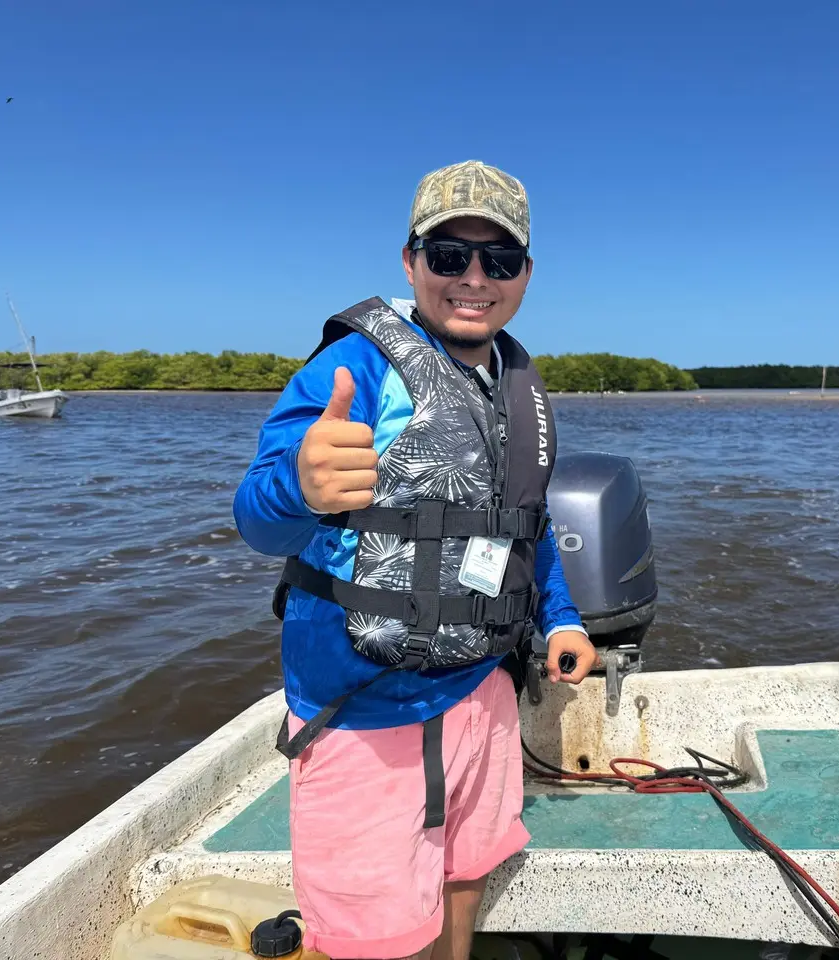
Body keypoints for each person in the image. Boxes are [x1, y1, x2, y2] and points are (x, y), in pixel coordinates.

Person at [233, 159, 597, 960]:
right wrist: (299, 484)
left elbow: (520, 530)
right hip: (362, 708)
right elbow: (257, 520)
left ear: (526, 274)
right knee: (370, 933)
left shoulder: (516, 383)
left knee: (466, 875)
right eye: (449, 255)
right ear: (411, 261)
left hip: (481, 691)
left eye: (499, 260)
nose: (475, 278)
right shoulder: (355, 368)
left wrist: (562, 620)